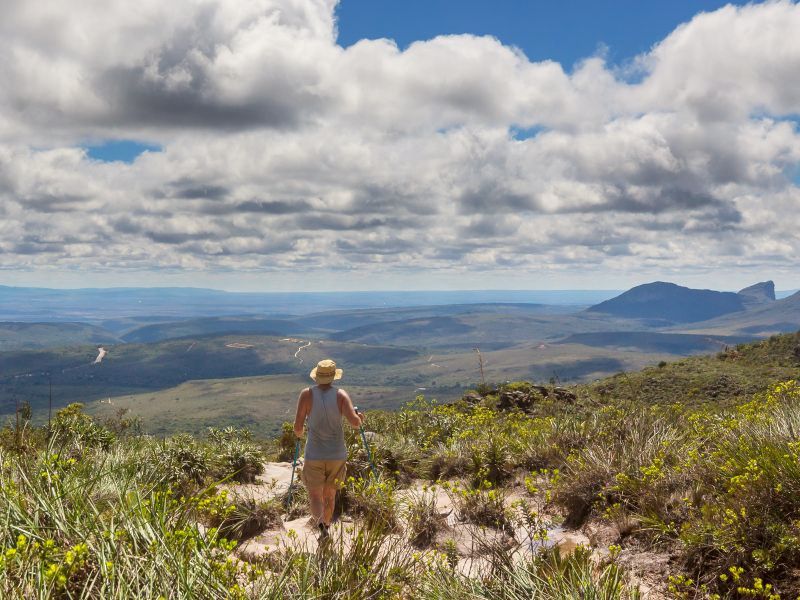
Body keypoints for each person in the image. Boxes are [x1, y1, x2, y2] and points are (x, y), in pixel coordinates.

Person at [293, 358, 364, 539]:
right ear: (333, 377)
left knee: (315, 497)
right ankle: (327, 525)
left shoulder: (306, 394)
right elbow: (355, 424)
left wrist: (300, 435)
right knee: (330, 496)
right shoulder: (341, 395)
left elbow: (297, 428)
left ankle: (320, 527)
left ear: (317, 376)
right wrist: (360, 417)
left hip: (314, 454)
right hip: (337, 454)